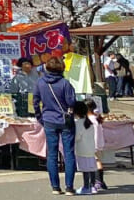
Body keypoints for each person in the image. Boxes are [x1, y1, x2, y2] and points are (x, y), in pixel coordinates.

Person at [34, 56, 77, 195]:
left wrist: (40, 118)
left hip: (48, 120)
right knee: (68, 153)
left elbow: (35, 102)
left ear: (47, 67)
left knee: (52, 154)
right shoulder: (65, 83)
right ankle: (69, 187)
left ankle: (55, 187)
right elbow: (71, 102)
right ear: (62, 68)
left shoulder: (40, 83)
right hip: (65, 121)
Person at [72, 100, 102, 195]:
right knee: (91, 168)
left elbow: (77, 137)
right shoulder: (90, 122)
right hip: (91, 149)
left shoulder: (78, 123)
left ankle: (86, 187)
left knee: (85, 170)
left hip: (82, 150)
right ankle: (92, 186)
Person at [84, 98, 108, 191]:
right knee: (97, 161)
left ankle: (97, 181)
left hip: (92, 144)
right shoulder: (96, 118)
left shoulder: (90, 120)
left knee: (95, 162)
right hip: (98, 143)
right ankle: (101, 181)